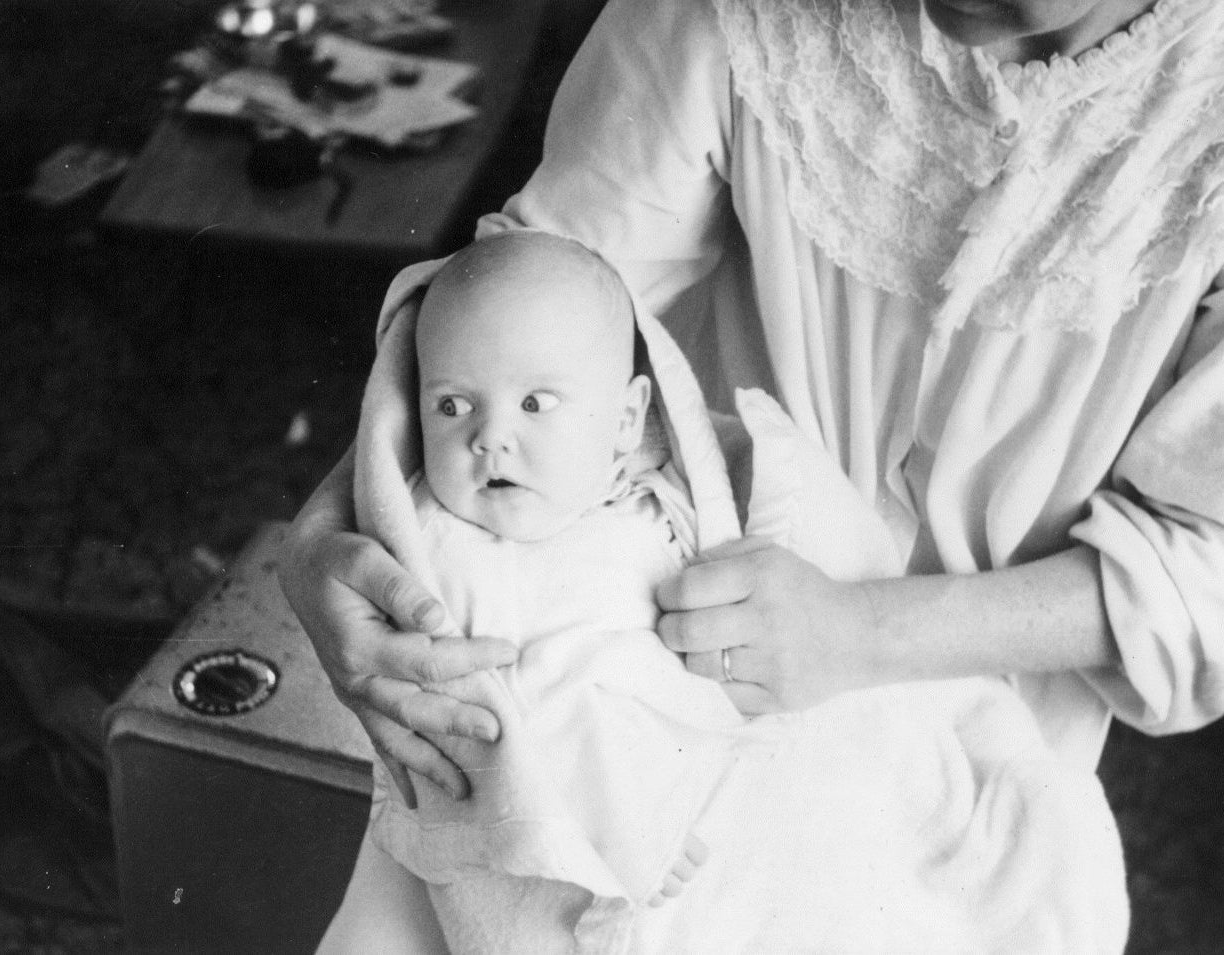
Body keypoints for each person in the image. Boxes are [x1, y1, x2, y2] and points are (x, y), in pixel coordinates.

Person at [281, 0, 1224, 946]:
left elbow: (1209, 567)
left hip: (967, 754)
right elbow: (535, 311)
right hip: (645, 679)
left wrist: (856, 629)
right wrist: (333, 528)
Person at [323, 228, 1126, 953]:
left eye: (536, 404)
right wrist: (632, 825)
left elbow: (831, 541)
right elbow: (529, 711)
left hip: (807, 688)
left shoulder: (651, 482)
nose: (490, 435)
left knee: (908, 826)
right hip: (642, 831)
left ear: (627, 419)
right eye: (452, 405)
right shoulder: (457, 554)